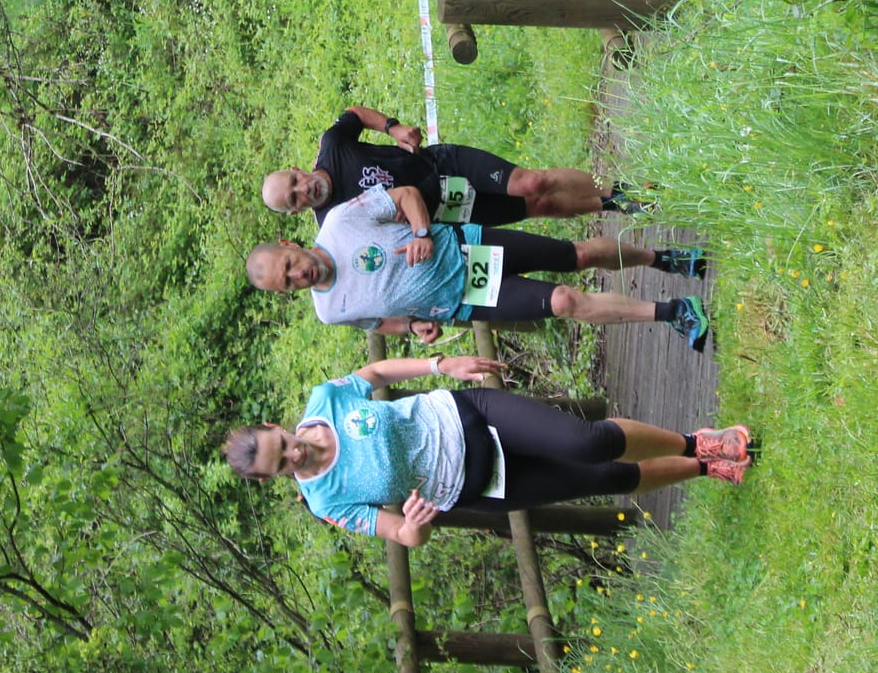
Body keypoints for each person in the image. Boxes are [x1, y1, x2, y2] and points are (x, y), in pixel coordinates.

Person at [223, 352, 753, 544]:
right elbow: (402, 536)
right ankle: (704, 469)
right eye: (283, 466)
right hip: (475, 485)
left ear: (277, 425)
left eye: (285, 444)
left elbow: (375, 372)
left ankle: (699, 440)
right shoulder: (326, 502)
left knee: (586, 442)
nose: (295, 456)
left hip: (467, 416)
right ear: (273, 479)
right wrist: (413, 524)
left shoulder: (325, 401)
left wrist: (440, 365)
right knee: (604, 481)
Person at [245, 183, 712, 350]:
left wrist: (423, 233)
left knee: (577, 256)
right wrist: (412, 328)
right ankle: (675, 312)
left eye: (288, 264)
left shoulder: (341, 221)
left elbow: (407, 195)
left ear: (290, 243)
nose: (296, 275)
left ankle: (663, 259)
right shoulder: (329, 311)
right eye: (286, 283)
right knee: (564, 301)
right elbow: (377, 322)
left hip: (467, 249)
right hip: (465, 299)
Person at [262, 105, 652, 226]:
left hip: (441, 163)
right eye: (294, 199)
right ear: (296, 211)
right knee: (540, 206)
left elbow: (354, 113)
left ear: (297, 168)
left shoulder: (332, 145)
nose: (303, 189)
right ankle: (615, 202)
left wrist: (393, 128)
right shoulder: (333, 223)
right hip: (446, 210)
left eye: (295, 180)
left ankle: (620, 184)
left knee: (532, 183)